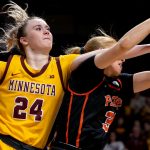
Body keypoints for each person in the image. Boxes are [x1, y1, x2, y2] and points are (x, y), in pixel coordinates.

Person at [0, 1, 111, 149]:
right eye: (38, 29)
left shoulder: (62, 65)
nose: (46, 31)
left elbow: (114, 51)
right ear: (24, 40)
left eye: (48, 28)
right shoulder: (7, 66)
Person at [49, 21, 150, 150]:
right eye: (120, 56)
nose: (124, 59)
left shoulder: (117, 83)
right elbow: (124, 45)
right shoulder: (85, 74)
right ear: (101, 54)